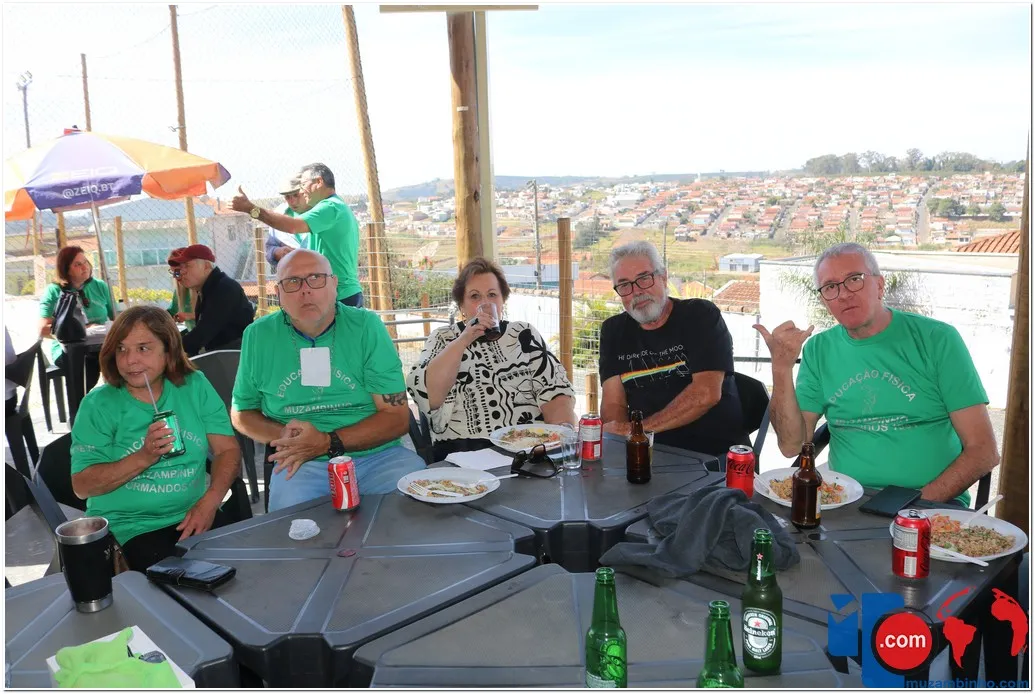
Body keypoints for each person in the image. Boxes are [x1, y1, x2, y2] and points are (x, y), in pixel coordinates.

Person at [754, 242, 999, 505]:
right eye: (830, 287)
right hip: (845, 500)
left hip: (930, 503)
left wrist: (911, 505)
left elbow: (983, 451)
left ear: (880, 286)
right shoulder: (819, 349)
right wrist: (781, 368)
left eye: (854, 279)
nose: (843, 294)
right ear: (824, 300)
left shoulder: (936, 339)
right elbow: (791, 446)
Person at [231, 249, 423, 511]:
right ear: (278, 292)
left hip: (378, 456)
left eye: (316, 278)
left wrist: (325, 441)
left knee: (417, 505)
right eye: (293, 281)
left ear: (335, 284)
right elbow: (241, 412)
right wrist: (287, 438)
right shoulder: (258, 336)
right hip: (301, 462)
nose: (305, 290)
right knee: (292, 522)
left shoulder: (366, 327)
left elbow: (396, 417)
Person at [69, 306, 241, 572]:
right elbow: (82, 486)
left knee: (240, 574)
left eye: (143, 348)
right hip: (131, 529)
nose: (130, 360)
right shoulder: (98, 405)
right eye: (121, 349)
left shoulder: (194, 385)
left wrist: (211, 502)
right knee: (179, 587)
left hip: (195, 515)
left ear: (168, 350)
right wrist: (145, 456)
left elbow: (227, 450)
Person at [406, 257, 576, 461]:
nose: (485, 304)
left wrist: (561, 438)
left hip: (526, 446)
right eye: (475, 296)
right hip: (465, 451)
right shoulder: (444, 338)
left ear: (503, 301)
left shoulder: (523, 334)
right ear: (462, 305)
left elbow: (555, 391)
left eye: (492, 295)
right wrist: (465, 339)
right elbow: (428, 395)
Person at [598, 241, 745, 458]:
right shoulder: (613, 330)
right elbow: (613, 403)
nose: (636, 292)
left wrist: (637, 430)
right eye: (624, 285)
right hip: (647, 453)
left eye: (644, 278)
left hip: (713, 456)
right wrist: (622, 446)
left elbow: (706, 393)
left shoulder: (700, 315)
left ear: (663, 277)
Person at [230, 163, 364, 307]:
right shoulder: (334, 207)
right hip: (336, 292)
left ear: (319, 182)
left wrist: (251, 209)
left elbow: (293, 226)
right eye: (287, 196)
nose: (301, 190)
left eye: (303, 184)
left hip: (339, 295)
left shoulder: (330, 207)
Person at [39, 245, 116, 392]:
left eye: (85, 262)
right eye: (77, 264)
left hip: (102, 346)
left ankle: (116, 400)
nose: (85, 267)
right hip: (69, 351)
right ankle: (80, 404)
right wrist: (78, 330)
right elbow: (43, 329)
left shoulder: (100, 286)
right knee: (87, 366)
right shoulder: (54, 291)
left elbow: (117, 319)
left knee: (120, 360)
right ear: (66, 269)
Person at [167, 244, 255, 357]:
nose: (181, 273)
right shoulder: (209, 288)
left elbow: (203, 333)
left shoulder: (223, 288)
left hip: (234, 356)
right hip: (225, 354)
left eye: (187, 266)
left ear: (206, 266)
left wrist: (169, 348)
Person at [265, 176, 311, 271]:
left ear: (305, 192)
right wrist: (277, 252)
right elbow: (270, 248)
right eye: (287, 197)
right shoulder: (278, 214)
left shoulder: (320, 212)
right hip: (291, 273)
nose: (292, 201)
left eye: (296, 195)